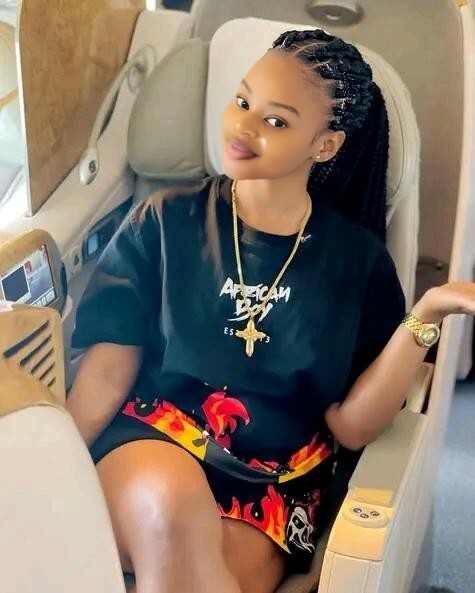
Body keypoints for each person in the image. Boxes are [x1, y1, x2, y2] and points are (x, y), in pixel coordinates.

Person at [67, 29, 475, 593]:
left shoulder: (357, 263)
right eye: (241, 101)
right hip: (153, 441)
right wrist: (49, 474)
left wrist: (430, 311)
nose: (243, 127)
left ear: (325, 145)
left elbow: (350, 427)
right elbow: (105, 376)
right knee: (172, 511)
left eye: (276, 120)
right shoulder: (164, 220)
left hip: (273, 483)